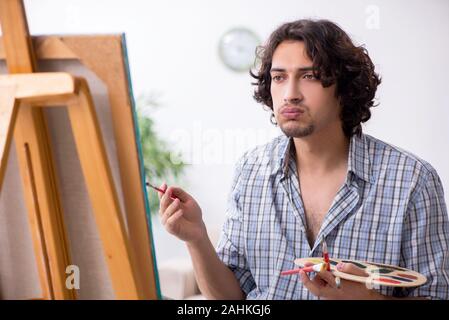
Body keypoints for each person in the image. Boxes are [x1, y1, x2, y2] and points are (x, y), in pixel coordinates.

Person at [158, 19, 449, 300]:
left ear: (344, 89)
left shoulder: (412, 179)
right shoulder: (250, 170)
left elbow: (437, 294)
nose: (290, 94)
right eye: (279, 77)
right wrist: (196, 238)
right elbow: (232, 297)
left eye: (309, 76)